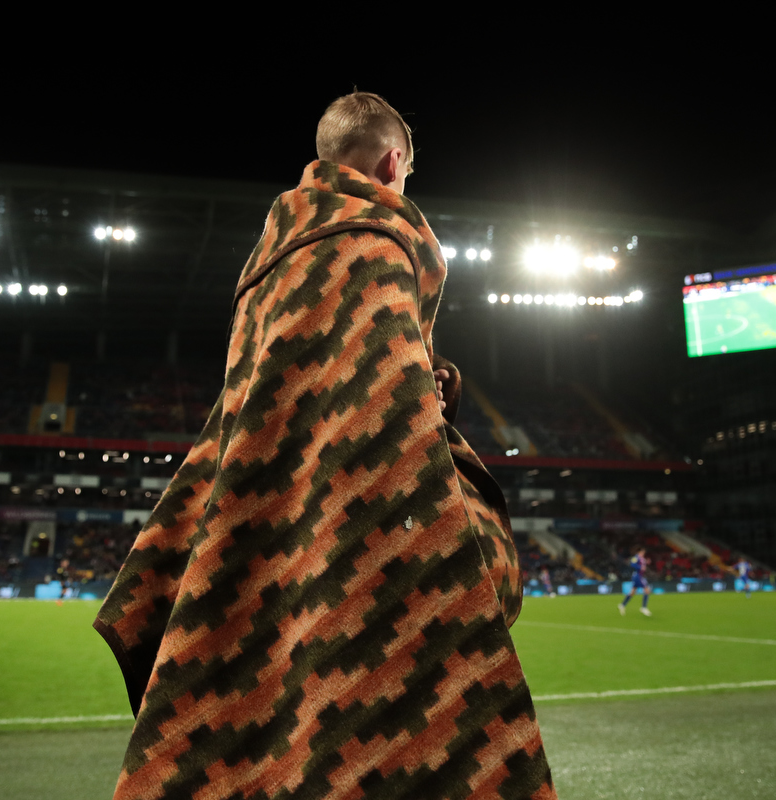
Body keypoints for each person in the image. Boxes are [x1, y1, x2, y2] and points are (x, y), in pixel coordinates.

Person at [94, 92, 556, 800]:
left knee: (249, 714)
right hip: (360, 523)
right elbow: (381, 417)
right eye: (406, 174)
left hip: (256, 518)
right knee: (393, 708)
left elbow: (274, 398)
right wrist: (425, 409)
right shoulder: (379, 240)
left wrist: (421, 380)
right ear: (393, 163)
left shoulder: (265, 267)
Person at [619, 547, 652, 616]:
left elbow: (642, 564)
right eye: (642, 552)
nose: (643, 553)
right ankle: (644, 607)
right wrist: (640, 567)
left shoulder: (642, 559)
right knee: (647, 590)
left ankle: (622, 605)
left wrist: (646, 562)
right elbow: (632, 564)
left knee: (632, 592)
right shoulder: (636, 558)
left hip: (639, 576)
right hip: (637, 576)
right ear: (639, 552)